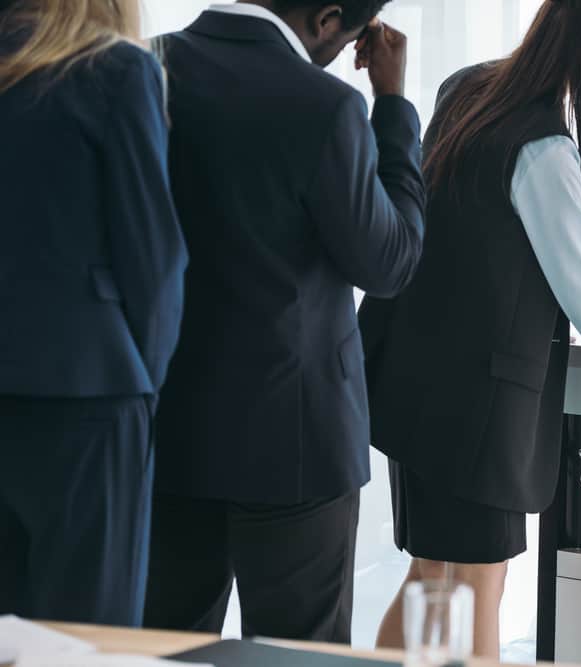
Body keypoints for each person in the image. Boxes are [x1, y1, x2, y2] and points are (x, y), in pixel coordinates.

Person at [360, 0, 581, 657]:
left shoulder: (467, 88)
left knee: (429, 580)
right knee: (475, 589)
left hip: (417, 388)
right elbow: (580, 288)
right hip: (478, 413)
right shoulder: (543, 148)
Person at [141, 0, 424, 643]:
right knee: (300, 654)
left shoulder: (140, 67)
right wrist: (392, 103)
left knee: (164, 648)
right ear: (327, 19)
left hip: (168, 424)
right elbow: (390, 262)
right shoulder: (325, 106)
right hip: (296, 436)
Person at [0, 0, 187, 626]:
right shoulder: (113, 68)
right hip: (89, 391)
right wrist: (145, 385)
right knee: (88, 638)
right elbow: (154, 259)